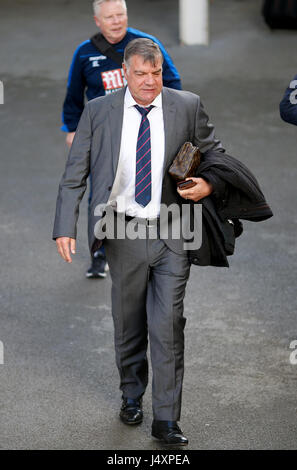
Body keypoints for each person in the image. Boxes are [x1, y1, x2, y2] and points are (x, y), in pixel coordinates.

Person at [53, 38, 224, 446]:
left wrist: (208, 182)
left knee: (168, 325)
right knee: (129, 323)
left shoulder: (186, 104)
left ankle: (166, 419)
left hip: (173, 229)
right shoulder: (98, 112)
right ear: (125, 74)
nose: (150, 82)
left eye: (157, 73)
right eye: (141, 74)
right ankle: (131, 394)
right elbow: (74, 174)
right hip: (123, 230)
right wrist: (65, 225)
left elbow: (214, 153)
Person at [62, 0, 182, 279]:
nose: (116, 21)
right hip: (104, 134)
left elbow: (173, 83)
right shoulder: (84, 53)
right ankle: (100, 252)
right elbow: (73, 94)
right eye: (109, 17)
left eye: (120, 15)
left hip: (144, 129)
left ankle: (153, 244)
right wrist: (72, 129)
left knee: (146, 183)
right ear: (97, 21)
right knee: (102, 191)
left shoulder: (147, 44)